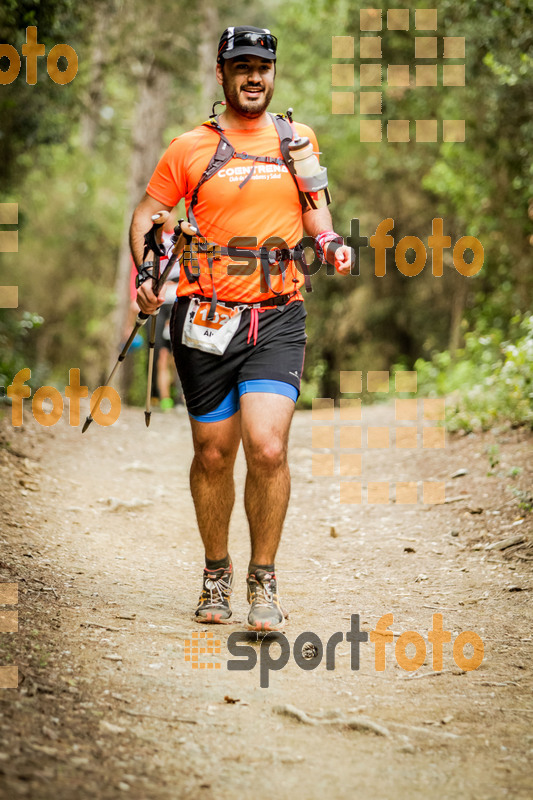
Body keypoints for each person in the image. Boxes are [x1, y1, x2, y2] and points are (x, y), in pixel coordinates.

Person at [130, 25, 352, 631]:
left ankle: (263, 581)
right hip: (205, 320)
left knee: (268, 446)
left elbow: (316, 206)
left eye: (264, 65)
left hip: (277, 315)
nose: (254, 75)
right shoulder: (189, 148)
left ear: (273, 73)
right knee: (212, 453)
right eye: (242, 65)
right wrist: (148, 273)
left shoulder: (296, 138)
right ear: (222, 74)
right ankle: (215, 572)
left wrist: (328, 239)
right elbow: (149, 215)